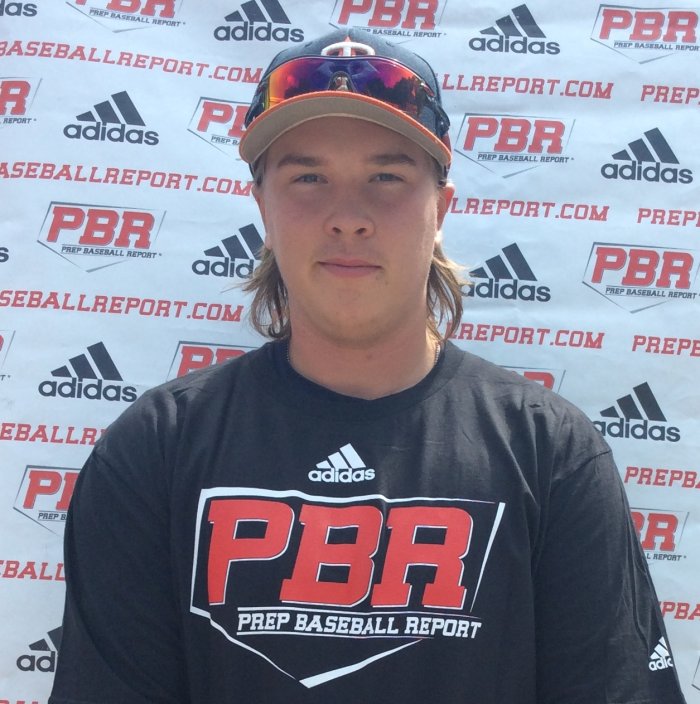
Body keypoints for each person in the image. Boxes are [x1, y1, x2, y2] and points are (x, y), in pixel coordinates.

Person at [50, 29, 687, 704]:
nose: (348, 217)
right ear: (262, 206)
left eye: (387, 177)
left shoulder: (548, 449)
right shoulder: (157, 446)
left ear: (440, 209)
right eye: (308, 178)